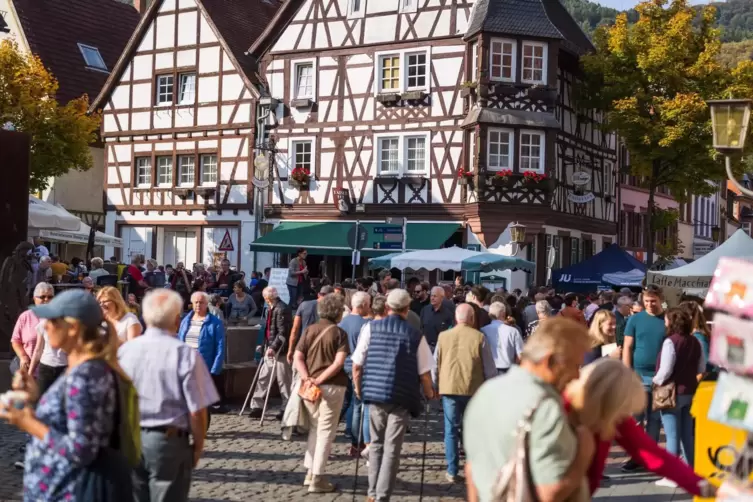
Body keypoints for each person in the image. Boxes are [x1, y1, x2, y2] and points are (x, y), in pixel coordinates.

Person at [2, 289, 126, 500]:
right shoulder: (83, 368)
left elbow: (81, 449)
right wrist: (33, 398)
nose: (44, 326)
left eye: (52, 321)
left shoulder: (87, 375)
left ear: (73, 328)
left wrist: (28, 423)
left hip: (69, 492)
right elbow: (66, 420)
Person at [463, 317, 594, 502]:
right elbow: (549, 492)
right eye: (574, 365)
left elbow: (471, 472)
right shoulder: (545, 407)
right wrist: (583, 453)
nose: (577, 375)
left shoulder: (485, 393)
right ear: (550, 361)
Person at [120, 289, 219, 502]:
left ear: (145, 317)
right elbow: (197, 410)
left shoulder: (125, 352)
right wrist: (198, 445)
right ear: (177, 320)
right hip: (166, 442)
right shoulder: (185, 354)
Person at [564, 358, 714, 498]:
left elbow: (653, 455)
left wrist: (706, 488)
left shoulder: (615, 416)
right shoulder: (561, 411)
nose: (625, 414)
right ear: (606, 400)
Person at [352, 289, 436, 502]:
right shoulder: (415, 335)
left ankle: (372, 493)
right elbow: (425, 373)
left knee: (376, 444)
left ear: (387, 307)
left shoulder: (370, 328)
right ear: (407, 309)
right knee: (392, 448)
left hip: (375, 394)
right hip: (402, 397)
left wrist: (359, 390)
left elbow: (357, 365)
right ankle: (382, 496)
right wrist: (430, 393)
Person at [434, 303, 496, 483]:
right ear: (471, 319)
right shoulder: (479, 337)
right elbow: (489, 367)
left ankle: (452, 470)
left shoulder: (443, 336)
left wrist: (435, 386)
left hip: (449, 387)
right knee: (472, 430)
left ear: (456, 318)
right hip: (473, 388)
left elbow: (436, 362)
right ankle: (472, 467)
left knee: (450, 430)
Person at [294, 294, 350, 493]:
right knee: (326, 431)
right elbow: (338, 362)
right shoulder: (339, 333)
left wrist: (307, 377)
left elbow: (298, 357)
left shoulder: (310, 330)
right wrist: (321, 378)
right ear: (338, 312)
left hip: (310, 388)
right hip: (333, 386)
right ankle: (318, 476)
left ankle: (310, 472)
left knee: (315, 429)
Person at [652, 307, 705, 486]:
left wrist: (655, 380)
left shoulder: (670, 342)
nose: (665, 322)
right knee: (686, 435)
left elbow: (666, 369)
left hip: (671, 391)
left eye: (667, 319)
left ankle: (672, 475)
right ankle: (690, 469)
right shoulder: (695, 341)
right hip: (689, 390)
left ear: (672, 322)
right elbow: (701, 367)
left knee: (672, 435)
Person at [621, 284, 666, 472]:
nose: (649, 304)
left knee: (655, 419)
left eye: (653, 301)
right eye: (646, 301)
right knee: (637, 419)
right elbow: (627, 347)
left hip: (661, 376)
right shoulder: (635, 320)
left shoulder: (667, 319)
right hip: (638, 375)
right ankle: (637, 456)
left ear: (660, 300)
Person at [178, 291, 225, 427]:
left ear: (207, 304)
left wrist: (215, 369)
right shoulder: (186, 321)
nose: (198, 305)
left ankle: (202, 426)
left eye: (201, 302)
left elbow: (220, 347)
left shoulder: (214, 323)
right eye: (196, 302)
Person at [249, 287, 293, 419]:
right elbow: (268, 330)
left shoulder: (282, 309)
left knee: (284, 381)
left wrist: (273, 347)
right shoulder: (271, 308)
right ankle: (257, 406)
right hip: (270, 348)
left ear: (268, 298)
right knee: (264, 377)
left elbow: (283, 332)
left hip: (280, 351)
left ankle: (286, 408)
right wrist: (264, 346)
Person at [340, 291, 371, 455]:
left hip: (342, 366)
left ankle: (353, 441)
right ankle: (357, 442)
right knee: (358, 405)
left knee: (348, 402)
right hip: (357, 367)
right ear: (364, 305)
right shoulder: (365, 325)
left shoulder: (342, 322)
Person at [10, 282, 49, 376]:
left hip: (51, 372)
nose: (46, 300)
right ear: (35, 298)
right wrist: (23, 356)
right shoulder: (25, 317)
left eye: (50, 297)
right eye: (42, 297)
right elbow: (15, 340)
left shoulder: (59, 317)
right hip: (28, 368)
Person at [287, 286, 333, 364]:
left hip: (302, 345)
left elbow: (295, 329)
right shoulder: (331, 310)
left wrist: (290, 349)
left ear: (319, 294)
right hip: (319, 349)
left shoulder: (303, 305)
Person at [481, 302, 524, 374]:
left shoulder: (483, 330)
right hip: (508, 369)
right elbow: (521, 354)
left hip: (489, 369)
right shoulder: (513, 331)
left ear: (489, 314)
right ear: (503, 314)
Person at [679, 301, 716, 379]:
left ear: (689, 317)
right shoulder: (693, 336)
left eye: (679, 317)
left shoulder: (698, 338)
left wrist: (692, 385)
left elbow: (704, 369)